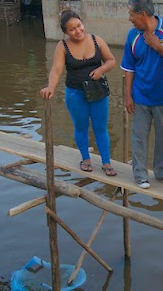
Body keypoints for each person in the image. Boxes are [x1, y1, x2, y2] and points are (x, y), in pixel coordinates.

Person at [39, 9, 119, 176]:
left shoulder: (97, 40)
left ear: (83, 24)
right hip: (75, 93)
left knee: (100, 128)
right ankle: (86, 159)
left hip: (98, 92)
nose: (78, 31)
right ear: (65, 32)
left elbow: (111, 61)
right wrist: (51, 87)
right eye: (72, 29)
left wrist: (101, 70)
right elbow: (56, 69)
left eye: (79, 26)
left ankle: (106, 162)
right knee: (81, 127)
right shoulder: (63, 46)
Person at [120, 0, 163, 189]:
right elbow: (129, 68)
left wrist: (158, 47)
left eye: (131, 14)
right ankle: (140, 175)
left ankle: (162, 173)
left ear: (143, 14)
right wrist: (128, 96)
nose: (130, 19)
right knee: (139, 136)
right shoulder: (132, 35)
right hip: (140, 96)